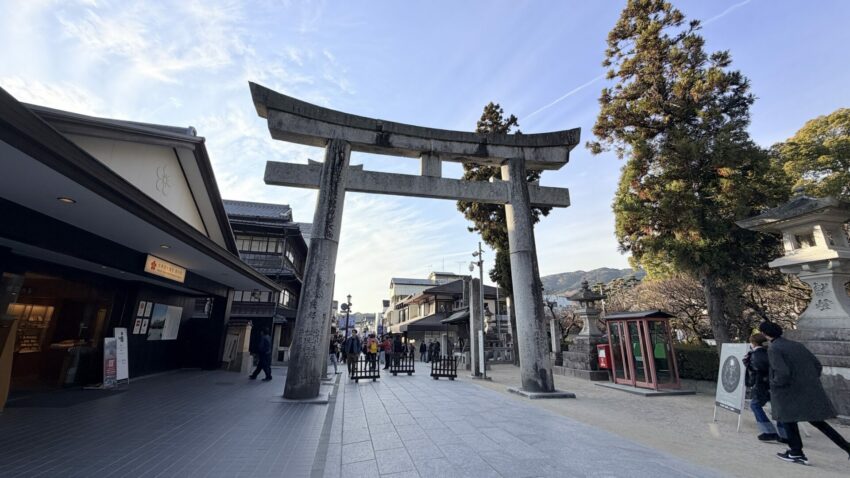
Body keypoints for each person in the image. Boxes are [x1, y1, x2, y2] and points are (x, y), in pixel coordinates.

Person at [759, 321, 850, 465]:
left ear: (765, 334)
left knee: (788, 419)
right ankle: (847, 447)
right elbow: (817, 365)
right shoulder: (796, 345)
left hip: (788, 392)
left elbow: (782, 373)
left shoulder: (774, 348)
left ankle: (796, 452)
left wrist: (774, 384)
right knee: (819, 422)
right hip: (807, 390)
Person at [743, 333, 786, 442]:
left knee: (755, 405)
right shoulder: (769, 352)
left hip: (761, 384)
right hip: (773, 384)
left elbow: (757, 369)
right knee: (777, 408)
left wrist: (748, 364)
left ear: (753, 343)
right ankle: (784, 433)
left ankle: (769, 431)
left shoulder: (755, 355)